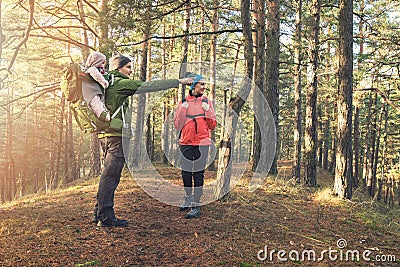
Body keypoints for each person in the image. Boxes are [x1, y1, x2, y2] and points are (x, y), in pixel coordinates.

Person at [93, 54, 194, 227]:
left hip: (106, 134)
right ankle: (106, 217)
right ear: (118, 68)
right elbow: (150, 85)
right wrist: (179, 81)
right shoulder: (120, 83)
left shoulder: (108, 82)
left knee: (108, 175)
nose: (131, 71)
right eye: (128, 67)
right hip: (116, 136)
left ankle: (99, 213)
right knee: (111, 176)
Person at [173, 73, 216, 219]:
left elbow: (213, 125)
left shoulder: (207, 102)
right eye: (201, 84)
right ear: (193, 85)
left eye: (205, 84)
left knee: (198, 173)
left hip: (202, 143)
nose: (204, 87)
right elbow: (177, 125)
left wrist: (208, 111)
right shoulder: (183, 101)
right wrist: (183, 109)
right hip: (186, 142)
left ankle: (196, 204)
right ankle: (187, 197)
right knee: (185, 172)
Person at [82, 51, 111, 122]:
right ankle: (102, 115)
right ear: (96, 62)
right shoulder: (92, 69)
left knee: (99, 102)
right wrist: (103, 82)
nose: (103, 65)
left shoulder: (99, 70)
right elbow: (96, 75)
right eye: (102, 63)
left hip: (94, 90)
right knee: (95, 102)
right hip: (91, 91)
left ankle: (103, 114)